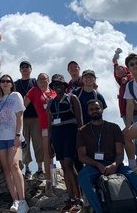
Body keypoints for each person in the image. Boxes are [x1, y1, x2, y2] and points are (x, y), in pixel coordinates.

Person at [77, 100, 137, 213]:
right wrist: (98, 165)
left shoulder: (113, 128)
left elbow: (120, 153)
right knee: (82, 177)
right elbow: (82, 156)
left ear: (101, 109)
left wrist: (114, 165)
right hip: (94, 167)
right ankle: (99, 210)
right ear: (88, 112)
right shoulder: (82, 131)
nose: (94, 111)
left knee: (135, 178)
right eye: (91, 109)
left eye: (97, 108)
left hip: (115, 164)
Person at [47, 74, 83, 211]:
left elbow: (80, 121)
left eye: (60, 85)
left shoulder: (72, 98)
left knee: (69, 163)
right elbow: (50, 124)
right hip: (57, 134)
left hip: (70, 132)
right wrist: (49, 144)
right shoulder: (51, 102)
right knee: (63, 164)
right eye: (55, 85)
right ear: (53, 87)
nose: (58, 87)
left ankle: (79, 198)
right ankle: (71, 198)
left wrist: (81, 139)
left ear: (64, 86)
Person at [0, 75, 29, 213]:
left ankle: (23, 200)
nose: (5, 83)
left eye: (8, 81)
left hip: (13, 137)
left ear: (12, 84)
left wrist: (18, 135)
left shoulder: (16, 95)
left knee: (14, 165)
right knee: (6, 168)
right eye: (2, 81)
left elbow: (20, 117)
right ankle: (15, 200)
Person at [24, 73, 56, 194]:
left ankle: (54, 180)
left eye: (45, 79)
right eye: (40, 79)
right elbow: (23, 106)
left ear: (49, 80)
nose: (43, 81)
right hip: (44, 126)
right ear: (36, 81)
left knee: (54, 153)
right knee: (47, 153)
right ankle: (49, 182)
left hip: (57, 126)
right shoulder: (34, 91)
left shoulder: (54, 92)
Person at [113, 53, 137, 159]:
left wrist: (127, 76)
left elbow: (131, 76)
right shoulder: (121, 81)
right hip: (124, 112)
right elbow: (116, 72)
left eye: (121, 69)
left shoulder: (130, 77)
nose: (118, 71)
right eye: (117, 70)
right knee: (132, 135)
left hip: (135, 111)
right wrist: (115, 63)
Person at [14, 61, 42, 180]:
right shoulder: (16, 84)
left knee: (38, 143)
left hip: (36, 117)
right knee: (24, 144)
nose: (25, 69)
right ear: (20, 70)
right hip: (22, 118)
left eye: (27, 67)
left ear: (31, 69)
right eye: (22, 67)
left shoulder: (35, 82)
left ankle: (40, 169)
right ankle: (27, 170)